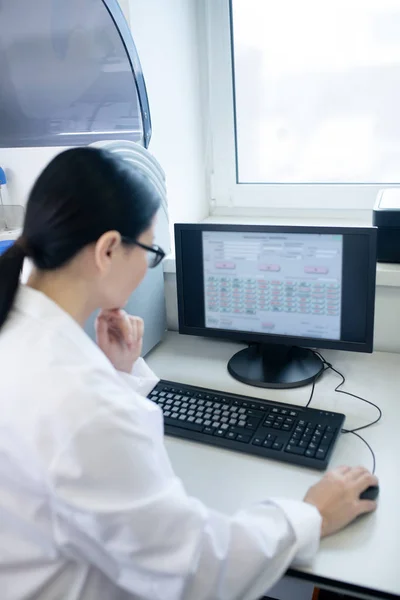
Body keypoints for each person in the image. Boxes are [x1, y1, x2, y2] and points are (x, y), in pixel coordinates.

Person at [0, 147, 378, 600]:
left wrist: (120, 375)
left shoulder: (20, 331)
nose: (149, 267)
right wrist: (312, 515)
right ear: (107, 250)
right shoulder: (82, 404)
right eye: (152, 250)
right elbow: (196, 570)